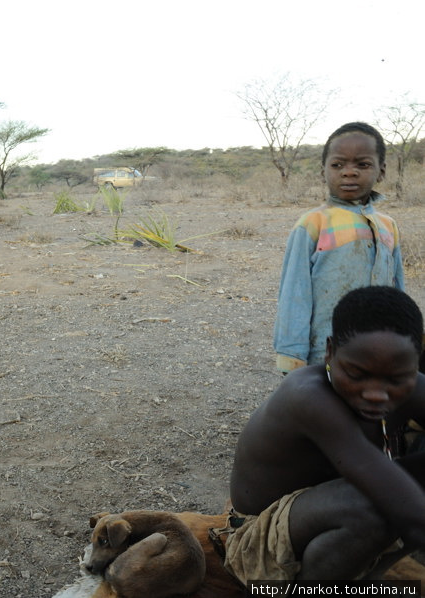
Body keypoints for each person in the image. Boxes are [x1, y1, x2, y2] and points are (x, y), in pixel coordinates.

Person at [223, 286, 425, 583]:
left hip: (330, 517)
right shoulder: (308, 397)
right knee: (377, 507)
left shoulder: (415, 388)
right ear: (330, 351)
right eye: (356, 374)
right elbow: (397, 502)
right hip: (260, 542)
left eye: (397, 379)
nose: (376, 394)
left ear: (416, 364)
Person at [273, 122, 404, 374]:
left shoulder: (388, 226)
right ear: (323, 171)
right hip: (324, 354)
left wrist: (403, 338)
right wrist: (292, 357)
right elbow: (294, 294)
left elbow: (397, 290)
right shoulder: (313, 224)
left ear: (381, 171)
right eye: (338, 165)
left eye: (362, 164)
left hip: (379, 349)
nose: (349, 172)